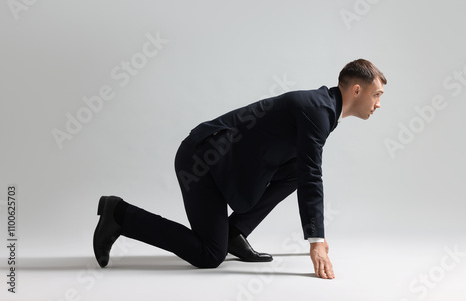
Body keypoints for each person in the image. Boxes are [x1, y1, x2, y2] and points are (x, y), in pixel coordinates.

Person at [93, 59, 386, 279]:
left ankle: (235, 232)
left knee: (296, 169)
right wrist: (317, 241)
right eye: (377, 95)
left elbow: (302, 171)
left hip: (227, 166)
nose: (378, 104)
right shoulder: (317, 111)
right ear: (357, 89)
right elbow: (313, 177)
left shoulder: (323, 109)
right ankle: (119, 214)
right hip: (202, 161)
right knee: (209, 255)